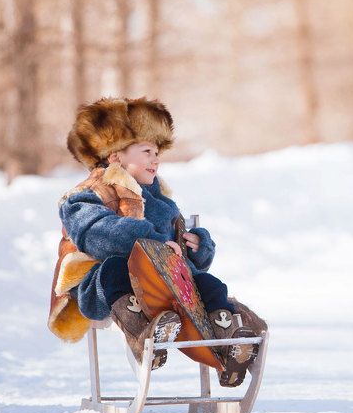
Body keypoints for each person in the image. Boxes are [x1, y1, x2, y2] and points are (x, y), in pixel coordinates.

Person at [48, 97, 257, 386]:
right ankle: (143, 337)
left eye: (157, 152)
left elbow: (176, 249)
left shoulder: (161, 201)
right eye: (147, 151)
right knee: (115, 268)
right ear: (115, 156)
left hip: (163, 284)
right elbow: (96, 233)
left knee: (210, 285)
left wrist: (197, 245)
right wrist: (154, 244)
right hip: (107, 287)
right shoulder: (86, 195)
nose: (155, 159)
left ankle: (228, 345)